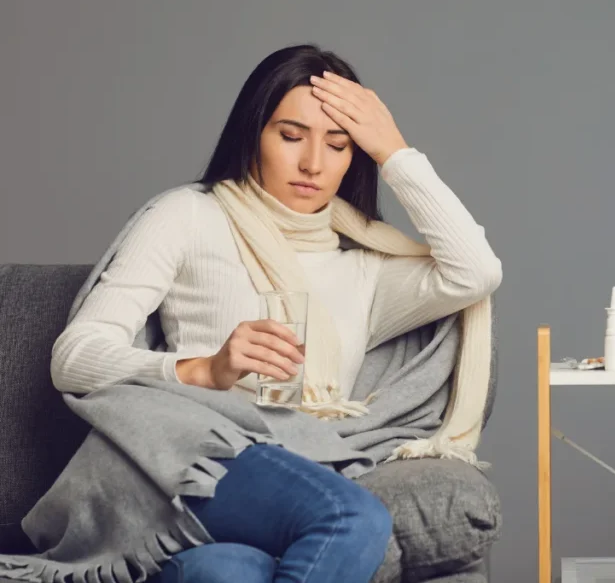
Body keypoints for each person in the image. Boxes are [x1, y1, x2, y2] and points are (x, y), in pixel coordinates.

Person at [49, 44, 503, 583]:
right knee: (352, 517)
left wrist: (395, 152)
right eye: (290, 136)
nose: (313, 163)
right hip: (196, 456)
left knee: (227, 570)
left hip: (304, 465)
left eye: (338, 145)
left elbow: (475, 272)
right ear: (253, 134)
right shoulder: (189, 216)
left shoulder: (366, 269)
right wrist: (200, 370)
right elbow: (74, 358)